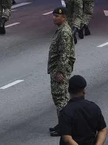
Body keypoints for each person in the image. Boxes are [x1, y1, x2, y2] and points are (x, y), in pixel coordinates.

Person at [48, 7, 76, 137]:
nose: (54, 18)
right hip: (58, 68)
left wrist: (60, 72)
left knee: (61, 99)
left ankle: (64, 127)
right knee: (60, 97)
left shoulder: (64, 32)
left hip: (60, 69)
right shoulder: (61, 30)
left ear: (64, 17)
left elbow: (64, 54)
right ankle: (62, 124)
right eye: (53, 16)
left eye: (57, 16)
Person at [58, 75, 107, 145]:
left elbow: (67, 138)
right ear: (84, 91)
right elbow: (103, 130)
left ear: (68, 91)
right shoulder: (94, 107)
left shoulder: (66, 112)